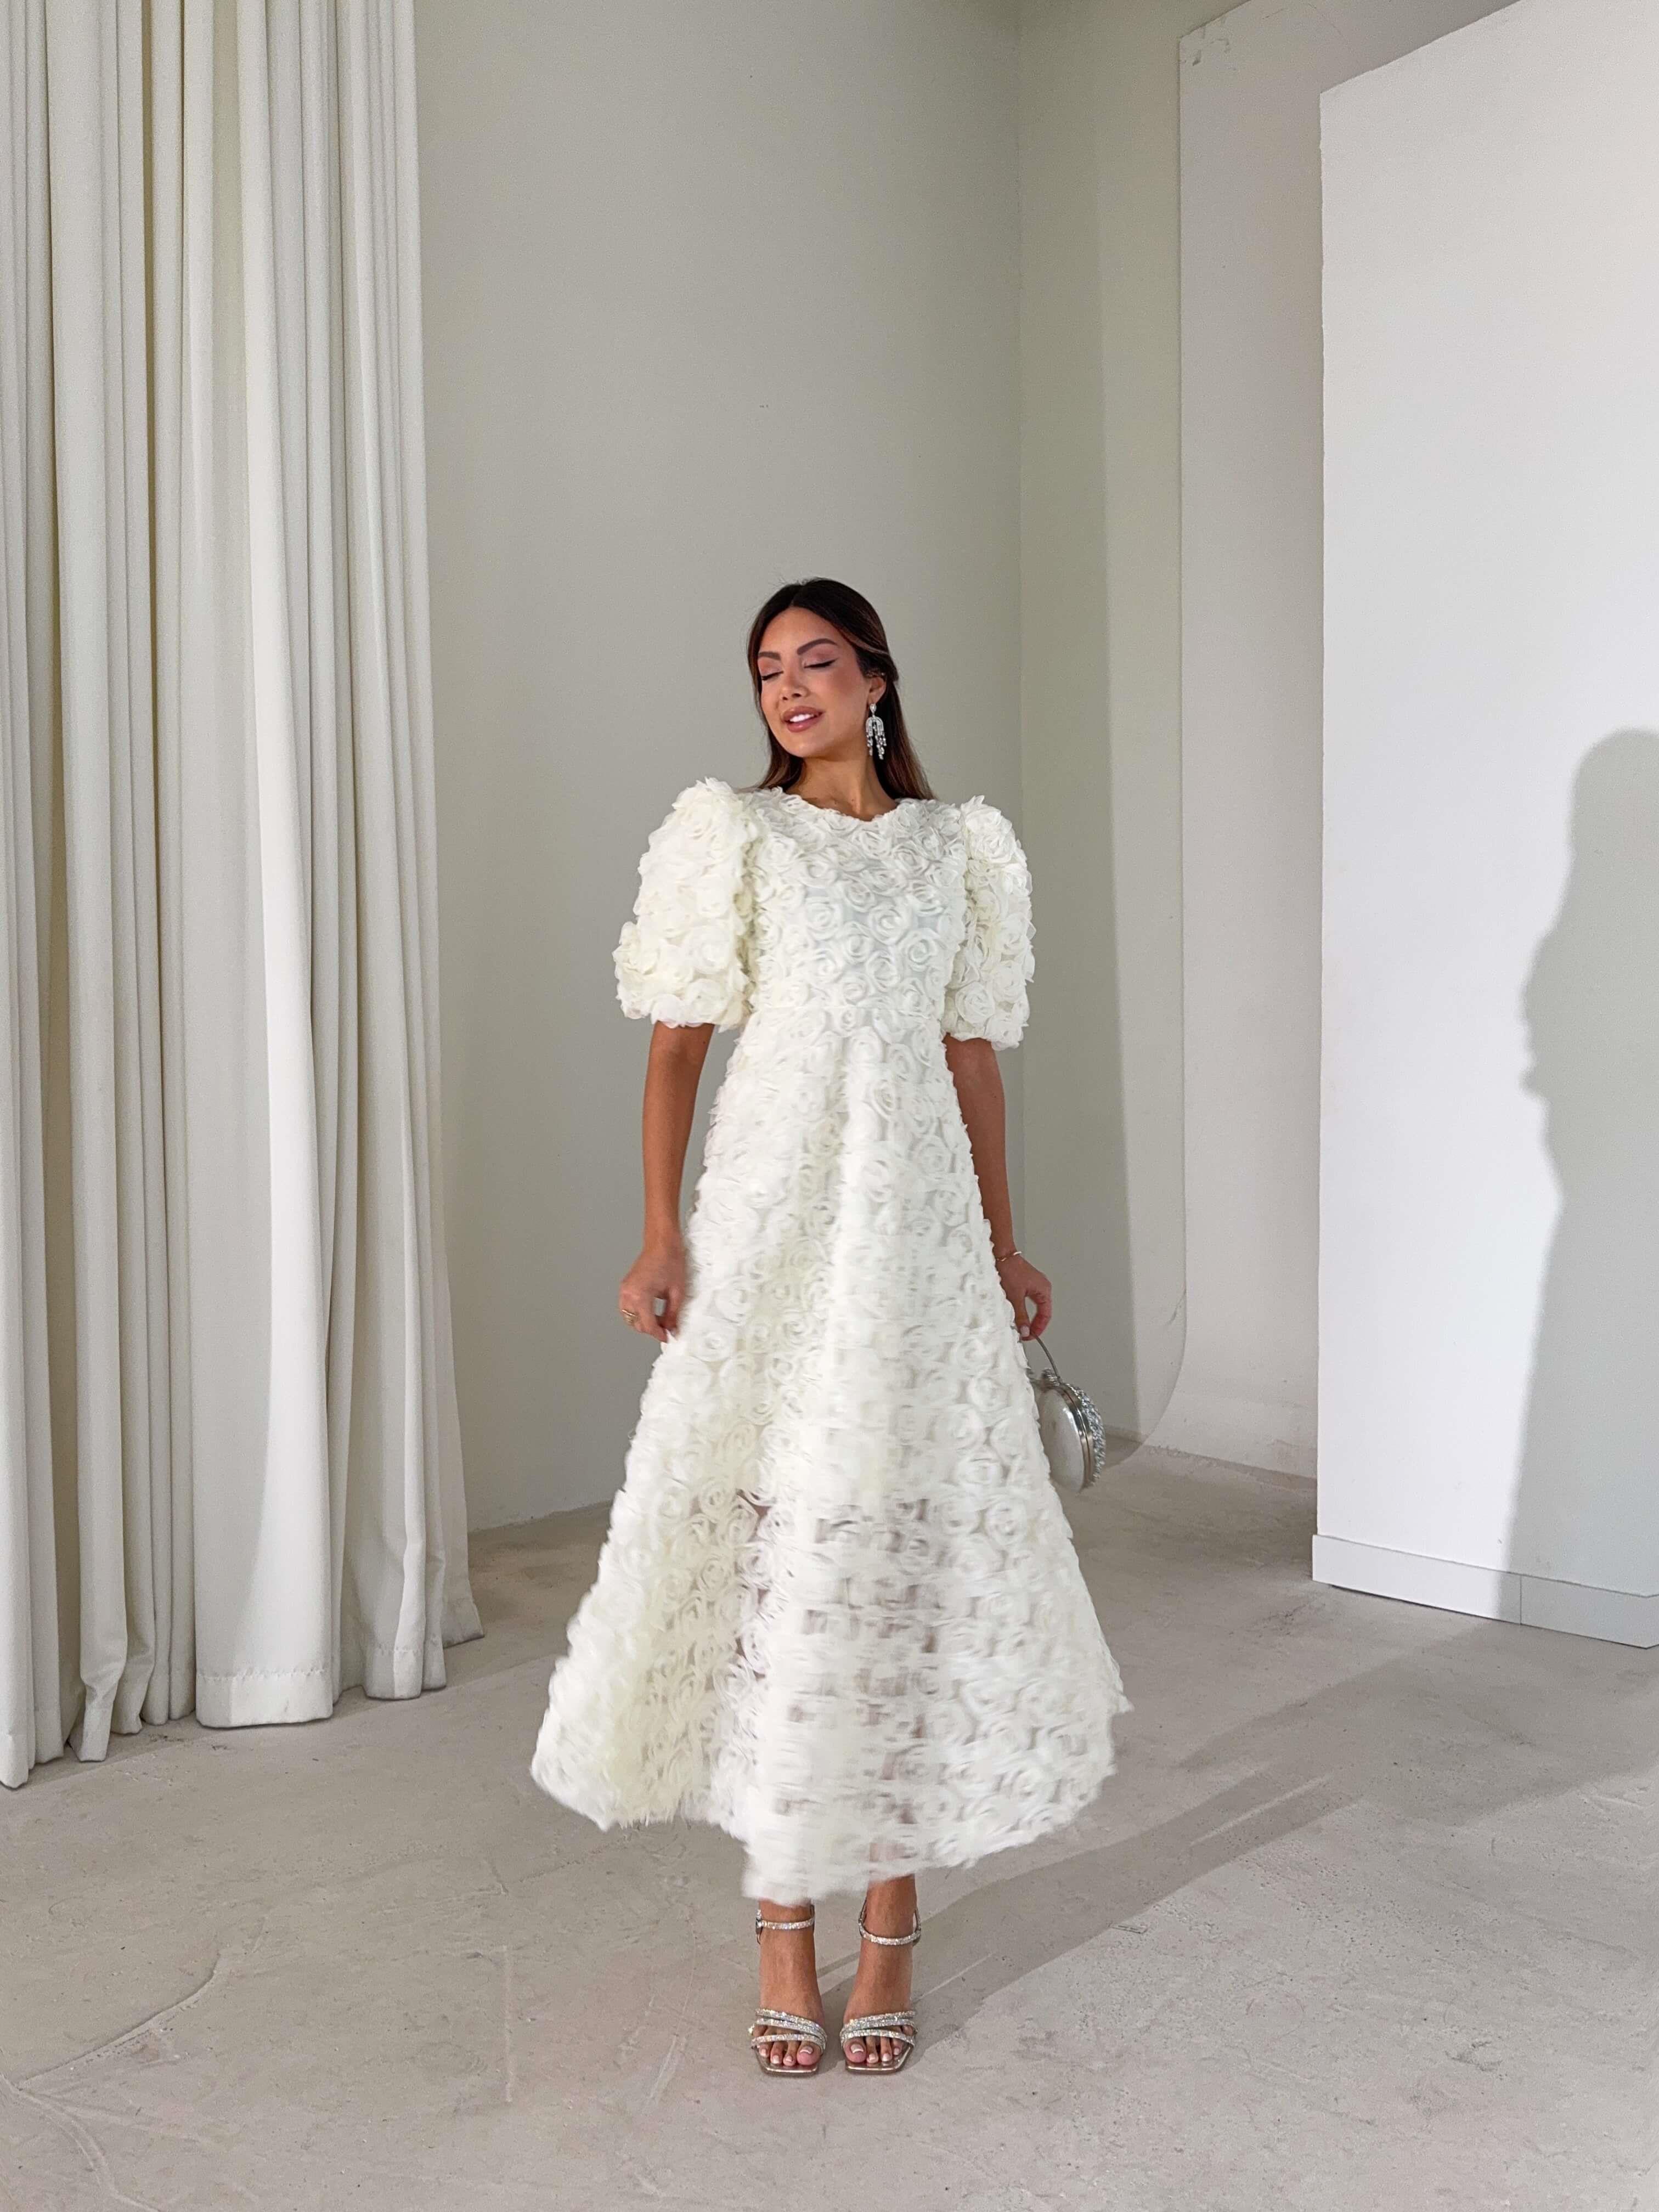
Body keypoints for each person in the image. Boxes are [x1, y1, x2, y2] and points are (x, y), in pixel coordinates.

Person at [530, 577, 1130, 2077]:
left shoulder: (956, 847)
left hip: (914, 1231)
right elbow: (677, 1050)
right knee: (780, 1558)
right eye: (765, 671)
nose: (788, 690)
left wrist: (1002, 1239)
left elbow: (971, 1058)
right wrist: (662, 1230)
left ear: (877, 678)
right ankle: (785, 1930)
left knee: (904, 1550)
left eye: (815, 662)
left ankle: (894, 1923)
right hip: (776, 1219)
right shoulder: (734, 836)